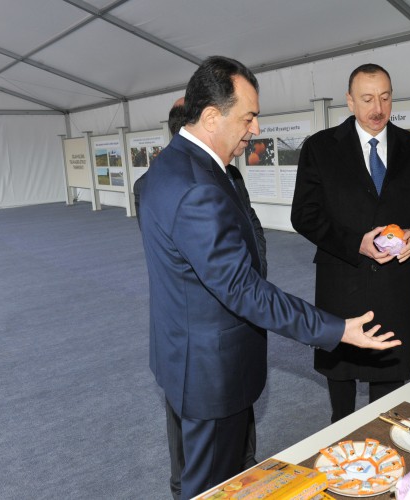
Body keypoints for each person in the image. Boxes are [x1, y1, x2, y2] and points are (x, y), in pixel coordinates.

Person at [138, 56, 400, 500]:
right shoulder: (197, 187)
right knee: (210, 487)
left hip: (185, 354)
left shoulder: (168, 171)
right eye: (248, 117)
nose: (255, 129)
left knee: (220, 472)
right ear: (210, 116)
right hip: (210, 371)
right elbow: (241, 288)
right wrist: (336, 328)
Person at [291, 63, 410, 423]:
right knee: (340, 373)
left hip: (396, 282)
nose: (378, 109)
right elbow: (305, 215)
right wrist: (353, 244)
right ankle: (340, 429)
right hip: (342, 277)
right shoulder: (320, 148)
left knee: (389, 373)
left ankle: (385, 431)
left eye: (385, 97)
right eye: (367, 99)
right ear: (349, 101)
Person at [136, 96, 266, 499]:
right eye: (246, 118)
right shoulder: (171, 186)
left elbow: (249, 231)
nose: (252, 129)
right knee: (196, 456)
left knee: (234, 432)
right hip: (200, 344)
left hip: (222, 339)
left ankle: (241, 473)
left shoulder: (227, 176)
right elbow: (196, 269)